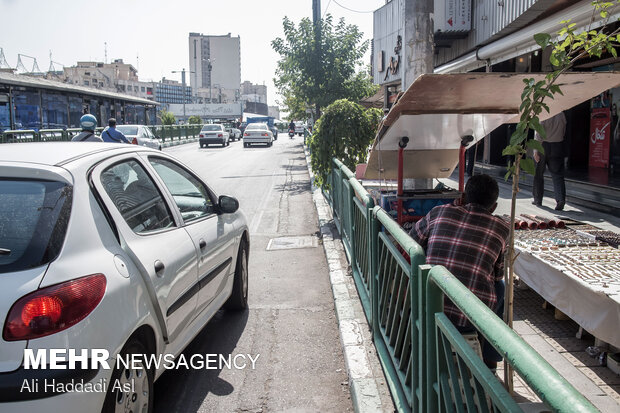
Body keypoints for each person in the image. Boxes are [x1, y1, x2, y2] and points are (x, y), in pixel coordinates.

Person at [409, 174, 509, 369]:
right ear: (494, 207)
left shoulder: (439, 212)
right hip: (469, 318)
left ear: (463, 197)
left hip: (428, 307)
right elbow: (497, 275)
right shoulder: (502, 228)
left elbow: (412, 240)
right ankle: (491, 361)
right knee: (501, 286)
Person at [532, 111, 567, 211]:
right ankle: (560, 199)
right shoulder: (561, 113)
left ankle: (537, 199)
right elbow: (564, 129)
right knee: (557, 174)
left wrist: (535, 150)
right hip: (557, 145)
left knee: (538, 173)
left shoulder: (543, 113)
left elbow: (538, 132)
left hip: (543, 145)